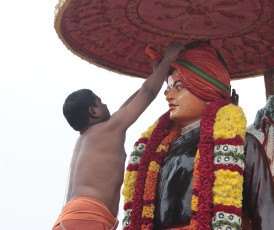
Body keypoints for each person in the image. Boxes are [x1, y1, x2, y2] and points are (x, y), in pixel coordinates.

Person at [122, 42, 274, 230]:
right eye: (168, 88)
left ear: (206, 89)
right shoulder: (155, 152)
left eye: (178, 87)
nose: (168, 96)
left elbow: (266, 214)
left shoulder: (242, 145)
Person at [52, 41, 184, 230]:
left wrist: (157, 72)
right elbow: (147, 93)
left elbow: (127, 107)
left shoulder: (88, 138)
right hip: (89, 219)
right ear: (93, 111)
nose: (106, 106)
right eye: (101, 102)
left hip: (65, 220)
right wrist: (170, 57)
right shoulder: (109, 130)